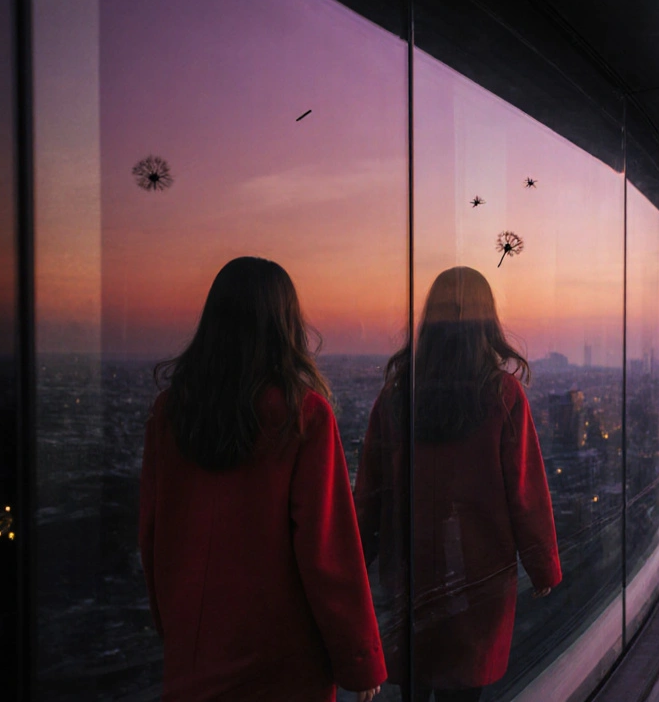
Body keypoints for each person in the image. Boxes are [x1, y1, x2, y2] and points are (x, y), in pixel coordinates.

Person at [139, 257, 385, 701]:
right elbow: (328, 552)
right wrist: (359, 658)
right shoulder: (302, 415)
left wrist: (174, 627)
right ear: (285, 325)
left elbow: (154, 534)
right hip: (284, 659)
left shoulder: (170, 413)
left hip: (196, 652)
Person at [355, 266, 561, 702]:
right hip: (478, 578)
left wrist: (355, 563)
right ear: (486, 323)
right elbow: (524, 490)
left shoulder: (395, 396)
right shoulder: (502, 395)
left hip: (407, 573)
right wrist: (542, 565)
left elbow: (369, 493)